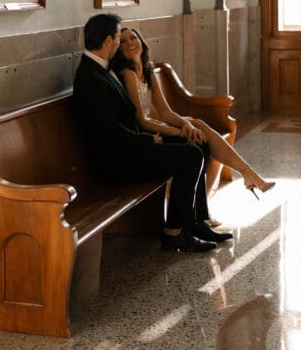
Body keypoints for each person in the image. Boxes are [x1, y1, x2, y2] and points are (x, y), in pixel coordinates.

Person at [73, 13, 233, 253]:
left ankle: (197, 222)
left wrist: (162, 135)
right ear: (108, 41)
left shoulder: (101, 69)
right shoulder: (90, 78)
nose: (120, 43)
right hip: (115, 162)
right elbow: (109, 132)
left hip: (129, 148)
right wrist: (152, 140)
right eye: (118, 38)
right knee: (190, 156)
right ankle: (174, 233)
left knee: (199, 146)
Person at [111, 27, 275, 202]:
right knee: (198, 138)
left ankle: (245, 174)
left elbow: (166, 113)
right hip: (144, 132)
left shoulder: (147, 70)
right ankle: (245, 175)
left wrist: (186, 125)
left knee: (196, 124)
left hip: (154, 124)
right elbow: (142, 121)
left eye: (133, 38)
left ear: (141, 41)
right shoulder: (127, 74)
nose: (130, 43)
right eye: (123, 41)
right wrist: (180, 131)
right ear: (118, 50)